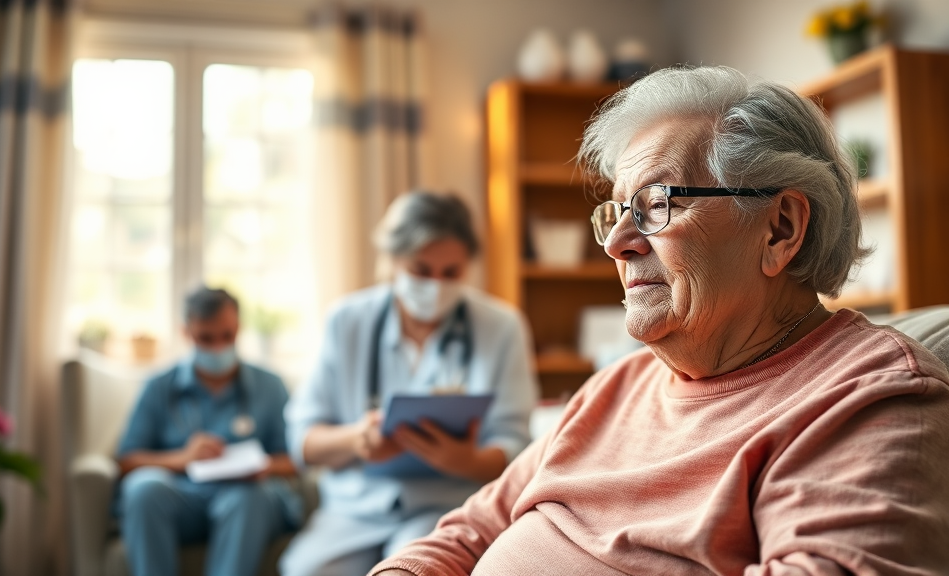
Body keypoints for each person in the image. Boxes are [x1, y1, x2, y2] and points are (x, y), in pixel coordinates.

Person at [369, 67, 949, 576]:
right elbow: (466, 532)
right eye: (617, 211)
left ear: (780, 230)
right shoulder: (613, 388)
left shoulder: (871, 398)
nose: (617, 243)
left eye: (656, 205)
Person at [280, 191, 539, 576]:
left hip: (446, 506)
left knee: (412, 570)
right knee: (302, 569)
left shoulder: (501, 327)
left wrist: (468, 461)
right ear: (392, 261)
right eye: (420, 270)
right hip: (355, 510)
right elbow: (303, 441)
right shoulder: (347, 321)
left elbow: (518, 445)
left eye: (450, 273)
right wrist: (355, 439)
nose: (435, 286)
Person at [115, 287, 301, 576]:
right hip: (182, 497)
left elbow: (296, 459)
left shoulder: (270, 386)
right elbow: (127, 460)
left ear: (238, 328)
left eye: (226, 336)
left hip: (247, 499)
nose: (217, 347)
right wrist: (183, 459)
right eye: (206, 338)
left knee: (248, 498)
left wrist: (262, 467)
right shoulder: (158, 386)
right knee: (143, 488)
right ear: (186, 332)